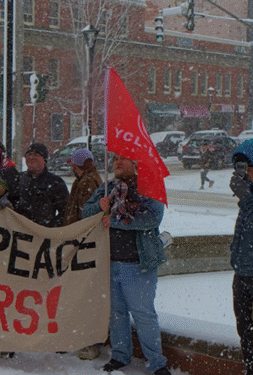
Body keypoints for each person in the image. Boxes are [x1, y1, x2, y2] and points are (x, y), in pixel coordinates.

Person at [83, 154, 171, 375]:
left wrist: (113, 220)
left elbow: (152, 218)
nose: (117, 163)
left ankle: (157, 363)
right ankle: (121, 356)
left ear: (135, 163)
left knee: (143, 315)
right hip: (110, 262)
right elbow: (86, 212)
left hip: (138, 264)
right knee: (116, 313)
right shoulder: (107, 188)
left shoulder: (148, 188)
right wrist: (99, 206)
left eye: (123, 159)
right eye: (115, 159)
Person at [62, 148, 104, 360]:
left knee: (84, 296)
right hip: (83, 244)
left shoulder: (87, 183)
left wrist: (73, 237)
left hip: (83, 245)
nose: (72, 169)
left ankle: (90, 342)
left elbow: (83, 215)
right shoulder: (89, 179)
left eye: (75, 165)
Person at [229, 139, 253, 375]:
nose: (241, 174)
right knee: (245, 332)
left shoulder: (248, 201)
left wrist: (246, 200)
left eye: (245, 167)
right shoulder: (248, 199)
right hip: (243, 275)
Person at [12, 143, 68, 228]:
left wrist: (50, 228)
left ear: (44, 160)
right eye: (29, 154)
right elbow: (10, 202)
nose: (31, 157)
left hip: (42, 236)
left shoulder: (55, 182)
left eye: (36, 154)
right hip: (19, 233)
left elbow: (65, 211)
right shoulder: (17, 179)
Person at [64, 148, 103, 227]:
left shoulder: (86, 183)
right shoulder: (94, 177)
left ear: (74, 166)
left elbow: (85, 213)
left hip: (81, 233)